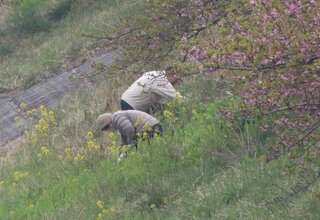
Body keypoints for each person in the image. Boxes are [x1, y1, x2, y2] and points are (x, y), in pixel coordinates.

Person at [96, 110, 162, 161]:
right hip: (152, 126)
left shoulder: (117, 118)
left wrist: (130, 146)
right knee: (150, 152)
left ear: (109, 125)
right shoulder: (118, 121)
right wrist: (120, 152)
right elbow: (124, 140)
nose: (109, 131)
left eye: (107, 129)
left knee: (151, 152)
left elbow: (130, 130)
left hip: (151, 128)